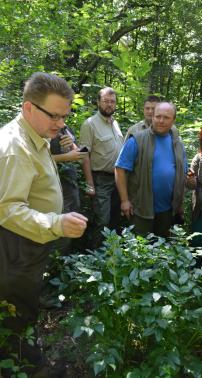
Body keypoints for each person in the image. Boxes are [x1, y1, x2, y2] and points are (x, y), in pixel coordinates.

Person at [0, 72, 88, 376]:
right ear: (28, 108)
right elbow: (8, 210)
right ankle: (25, 366)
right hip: (17, 245)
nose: (61, 123)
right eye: (55, 115)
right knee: (16, 306)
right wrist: (56, 223)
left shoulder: (35, 136)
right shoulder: (15, 147)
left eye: (65, 115)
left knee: (24, 302)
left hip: (29, 244)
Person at [115, 102, 187, 238]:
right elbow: (120, 169)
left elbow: (181, 175)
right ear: (152, 117)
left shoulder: (178, 144)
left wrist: (180, 203)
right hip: (141, 208)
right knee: (138, 250)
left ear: (174, 120)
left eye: (166, 117)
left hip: (167, 210)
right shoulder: (137, 140)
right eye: (158, 116)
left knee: (162, 249)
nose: (161, 121)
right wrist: (124, 200)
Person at [80, 87, 123, 248]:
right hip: (100, 179)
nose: (109, 105)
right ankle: (94, 256)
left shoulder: (115, 123)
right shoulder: (90, 124)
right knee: (102, 221)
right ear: (98, 102)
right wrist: (89, 184)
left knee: (114, 219)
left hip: (118, 179)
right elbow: (84, 155)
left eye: (112, 102)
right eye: (106, 101)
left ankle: (111, 255)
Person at [50, 125, 86, 254]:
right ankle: (53, 267)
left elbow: (80, 155)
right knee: (58, 231)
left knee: (71, 227)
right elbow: (36, 159)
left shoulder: (66, 129)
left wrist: (72, 146)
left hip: (71, 186)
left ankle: (65, 264)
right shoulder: (43, 129)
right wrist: (66, 157)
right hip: (54, 187)